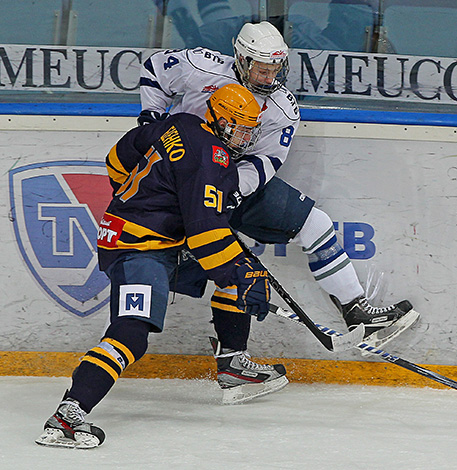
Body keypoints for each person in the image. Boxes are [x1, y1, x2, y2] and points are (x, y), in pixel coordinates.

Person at [137, 21, 419, 399]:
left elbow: (265, 161)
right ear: (241, 60)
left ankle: (358, 312)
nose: (269, 77)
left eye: (275, 69)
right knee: (234, 266)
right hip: (177, 182)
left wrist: (229, 193)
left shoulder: (283, 108)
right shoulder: (202, 67)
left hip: (232, 182)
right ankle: (233, 362)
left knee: (314, 223)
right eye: (261, 69)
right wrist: (152, 121)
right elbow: (155, 68)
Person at [36, 84, 281, 449]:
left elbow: (117, 159)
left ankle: (232, 364)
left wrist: (146, 200)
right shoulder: (212, 158)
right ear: (220, 120)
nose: (246, 138)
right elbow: (205, 233)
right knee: (132, 333)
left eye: (250, 130)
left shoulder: (180, 122)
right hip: (138, 248)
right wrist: (237, 271)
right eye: (240, 129)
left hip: (155, 238)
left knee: (242, 271)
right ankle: (67, 416)